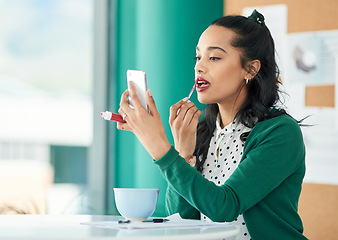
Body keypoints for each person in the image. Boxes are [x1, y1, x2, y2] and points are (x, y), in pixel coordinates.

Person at [117, 9, 307, 240]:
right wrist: (183, 153)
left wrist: (157, 145)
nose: (199, 67)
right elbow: (181, 218)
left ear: (251, 69)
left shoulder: (279, 132)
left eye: (214, 57)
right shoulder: (202, 131)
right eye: (198, 57)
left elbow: (225, 207)